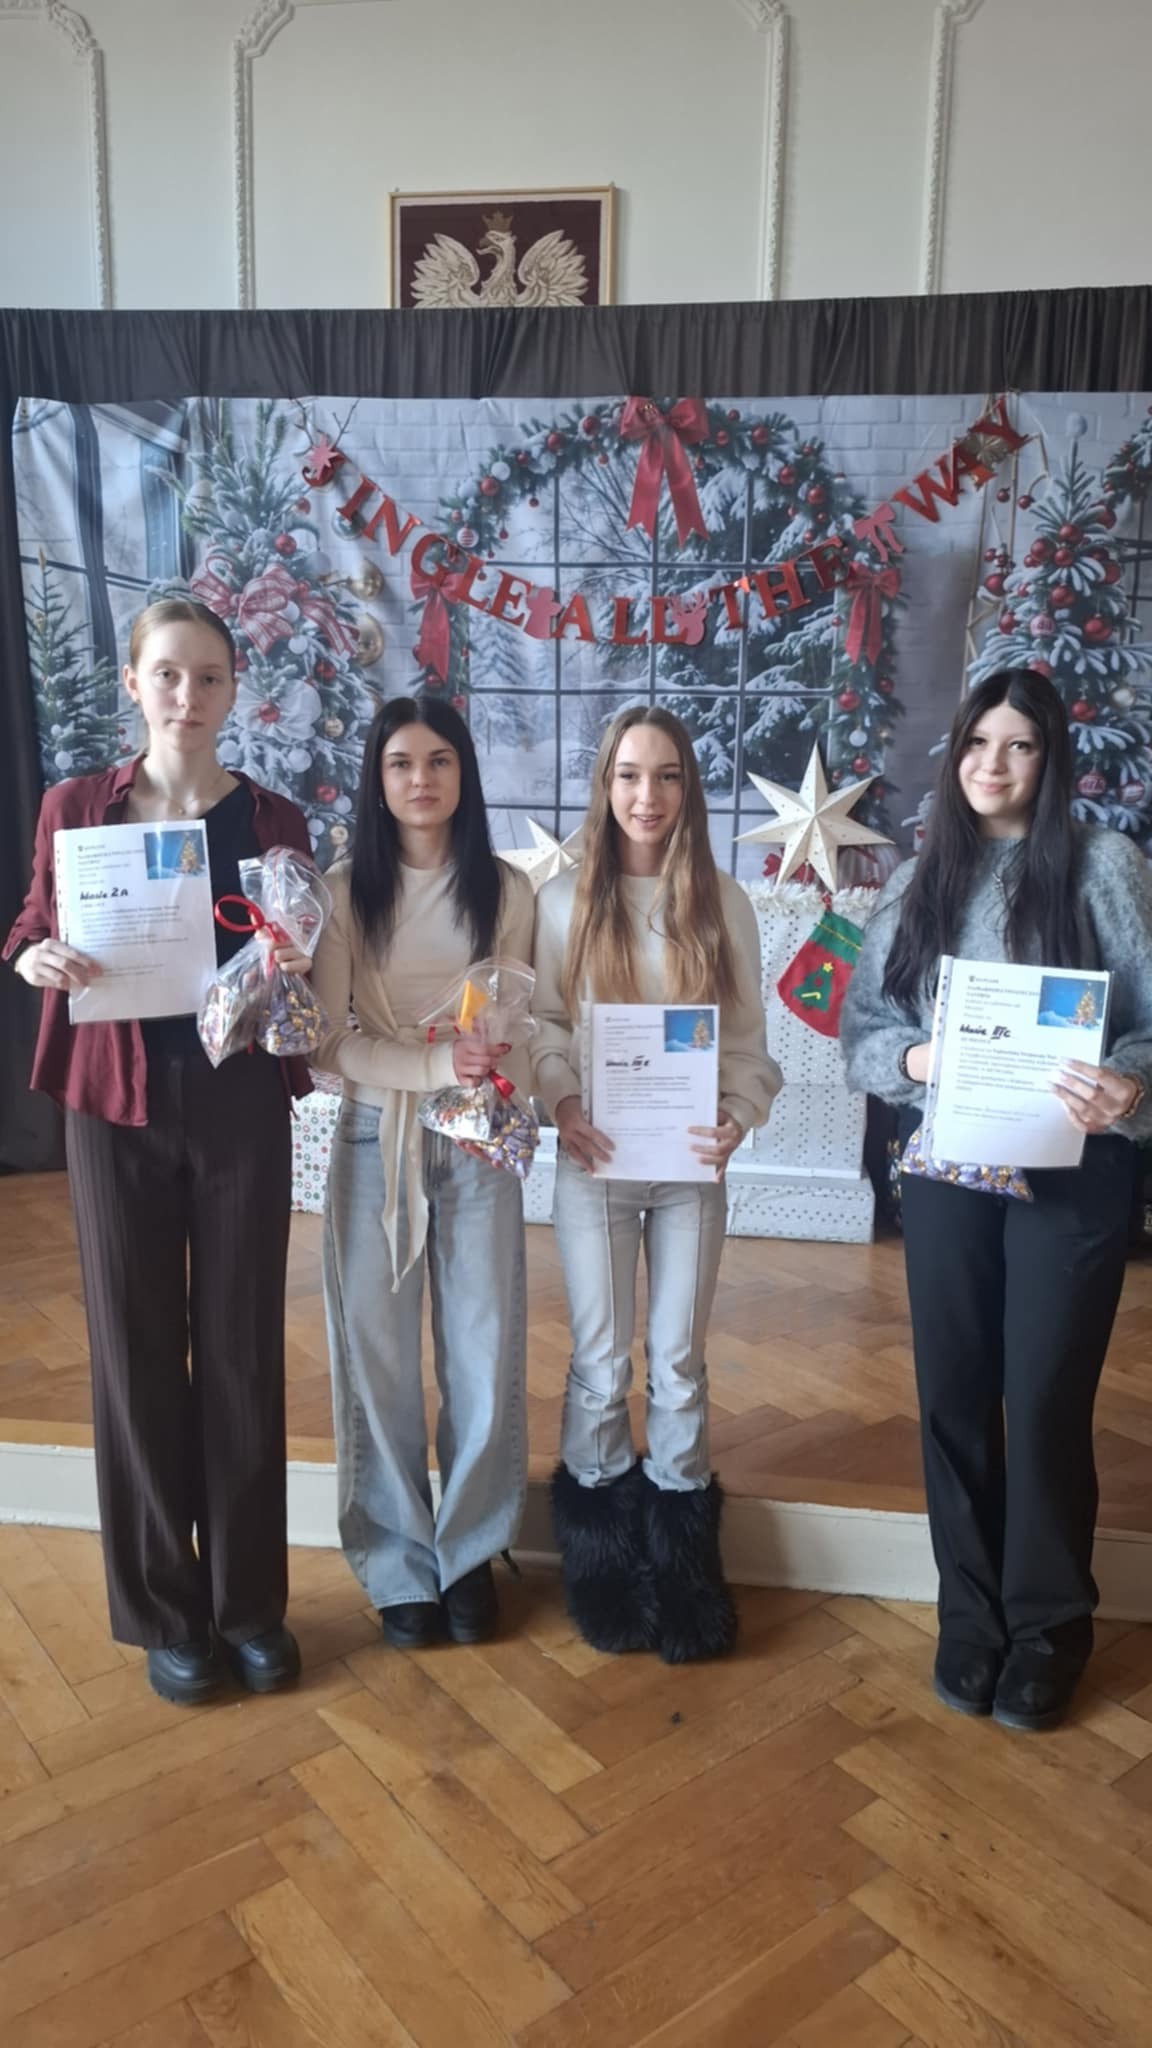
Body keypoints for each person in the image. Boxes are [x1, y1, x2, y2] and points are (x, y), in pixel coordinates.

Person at [4, 598, 313, 1705]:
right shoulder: (75, 808)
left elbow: (304, 960)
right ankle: (167, 1611)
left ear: (234, 689)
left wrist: (298, 965)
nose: (189, 696)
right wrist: (34, 957)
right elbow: (33, 922)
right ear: (134, 682)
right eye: (169, 675)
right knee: (133, 1350)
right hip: (113, 1104)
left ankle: (250, 1603)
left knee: (241, 1348)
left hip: (239, 1104)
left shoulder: (273, 820)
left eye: (210, 676)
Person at [841, 668, 1152, 1733]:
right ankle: (970, 1618)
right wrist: (918, 1058)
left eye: (1018, 745)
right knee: (955, 1394)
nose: (993, 764)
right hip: (950, 1172)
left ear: (1049, 757)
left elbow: (1150, 1026)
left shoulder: (1105, 867)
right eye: (978, 743)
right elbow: (864, 1030)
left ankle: (1051, 1627)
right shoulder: (921, 878)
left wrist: (1130, 1085)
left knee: (1048, 1394)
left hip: (1075, 1172)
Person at [532, 706, 781, 1663]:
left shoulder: (725, 902)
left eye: (668, 775)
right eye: (630, 776)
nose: (648, 796)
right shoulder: (562, 901)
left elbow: (747, 1043)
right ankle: (599, 1561)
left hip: (687, 1173)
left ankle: (684, 1565)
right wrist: (561, 1101)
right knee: (602, 1362)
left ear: (689, 789)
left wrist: (737, 1116)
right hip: (593, 1165)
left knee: (678, 1358)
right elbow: (544, 1027)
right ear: (605, 786)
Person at [312, 695, 534, 1649]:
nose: (421, 780)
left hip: (477, 1137)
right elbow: (326, 1044)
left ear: (464, 774)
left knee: (484, 1346)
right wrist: (438, 1063)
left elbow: (526, 1019)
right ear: (377, 779)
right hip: (375, 1135)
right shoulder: (340, 892)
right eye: (400, 763)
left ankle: (471, 1549)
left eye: (440, 761)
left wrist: (496, 1059)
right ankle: (400, 1562)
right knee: (377, 1358)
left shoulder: (507, 889)